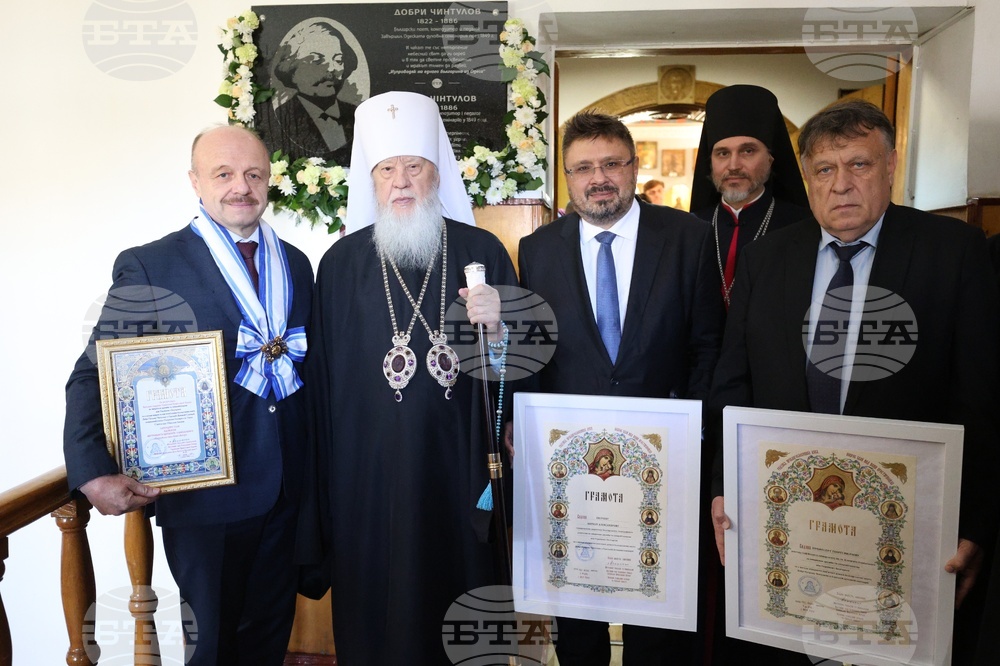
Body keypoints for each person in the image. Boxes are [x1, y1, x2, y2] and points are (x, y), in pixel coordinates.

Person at [709, 99, 1000, 664]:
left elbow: (981, 398)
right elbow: (732, 384)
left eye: (859, 165)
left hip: (905, 529)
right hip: (787, 523)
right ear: (807, 177)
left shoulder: (953, 252)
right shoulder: (767, 258)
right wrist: (724, 485)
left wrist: (976, 525)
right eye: (825, 169)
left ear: (890, 166)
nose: (841, 184)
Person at [63, 125, 314, 665]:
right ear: (195, 182)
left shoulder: (296, 262)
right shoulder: (152, 264)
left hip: (289, 491)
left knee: (269, 641)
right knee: (213, 648)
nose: (240, 186)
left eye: (253, 174)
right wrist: (91, 470)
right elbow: (92, 373)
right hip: (205, 499)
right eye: (223, 174)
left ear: (269, 181)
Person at [303, 91, 517, 665]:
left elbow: (516, 370)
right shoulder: (340, 265)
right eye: (387, 170)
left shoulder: (481, 250)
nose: (401, 182)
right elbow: (324, 385)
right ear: (371, 181)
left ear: (436, 173)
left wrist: (500, 328)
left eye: (414, 167)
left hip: (458, 466)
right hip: (367, 479)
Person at [518, 110, 724, 666]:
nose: (599, 178)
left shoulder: (687, 238)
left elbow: (708, 345)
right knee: (578, 616)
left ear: (634, 167)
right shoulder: (538, 250)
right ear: (567, 177)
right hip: (574, 467)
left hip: (665, 459)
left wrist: (692, 430)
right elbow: (533, 353)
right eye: (583, 168)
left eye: (612, 163)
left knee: (658, 620)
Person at [690, 85, 811, 310]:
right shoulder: (690, 228)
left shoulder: (803, 227)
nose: (734, 165)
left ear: (771, 159)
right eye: (723, 153)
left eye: (748, 151)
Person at [255, 19, 361, 165]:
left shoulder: (359, 116)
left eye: (338, 60)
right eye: (317, 60)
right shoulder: (277, 121)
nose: (332, 69)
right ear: (292, 69)